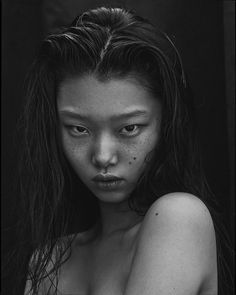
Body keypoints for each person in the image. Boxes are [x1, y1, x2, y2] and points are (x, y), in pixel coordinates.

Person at [17, 6, 228, 295]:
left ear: (166, 123)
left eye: (129, 128)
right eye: (79, 129)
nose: (103, 156)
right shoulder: (48, 259)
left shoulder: (179, 219)